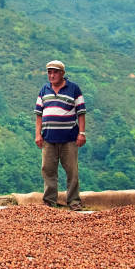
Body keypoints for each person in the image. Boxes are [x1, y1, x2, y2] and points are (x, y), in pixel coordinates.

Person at [34, 60, 86, 210]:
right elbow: (39, 114)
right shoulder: (44, 90)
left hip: (69, 138)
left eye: (55, 72)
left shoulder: (74, 89)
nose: (52, 75)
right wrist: (38, 134)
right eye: (49, 72)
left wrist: (81, 133)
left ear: (62, 73)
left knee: (72, 171)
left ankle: (74, 201)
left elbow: (81, 113)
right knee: (48, 169)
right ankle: (49, 201)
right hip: (48, 138)